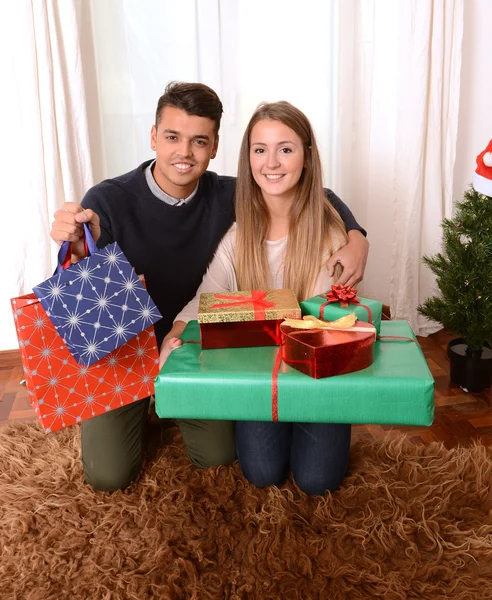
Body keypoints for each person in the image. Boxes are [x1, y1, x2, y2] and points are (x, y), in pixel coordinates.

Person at [50, 82, 368, 492]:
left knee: (218, 455)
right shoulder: (109, 199)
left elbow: (311, 191)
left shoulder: (231, 194)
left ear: (215, 146)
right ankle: (139, 408)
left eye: (199, 141)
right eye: (172, 137)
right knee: (108, 475)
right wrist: (76, 246)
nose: (184, 152)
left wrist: (357, 235)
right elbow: (80, 288)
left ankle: (170, 401)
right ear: (153, 137)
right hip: (124, 347)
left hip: (190, 345)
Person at [161, 101, 354, 495]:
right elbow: (207, 297)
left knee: (318, 480)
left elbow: (329, 328)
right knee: (261, 471)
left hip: (315, 378)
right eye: (260, 149)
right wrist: (175, 332)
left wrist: (360, 238)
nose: (272, 163)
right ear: (248, 157)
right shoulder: (238, 236)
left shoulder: (332, 235)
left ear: (307, 157)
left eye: (286, 149)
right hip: (259, 375)